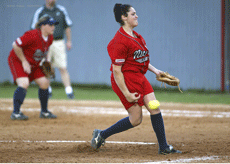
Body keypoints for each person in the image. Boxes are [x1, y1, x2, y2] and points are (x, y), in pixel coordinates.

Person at [91, 3, 182, 155]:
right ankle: (101, 135)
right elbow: (116, 71)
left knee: (154, 107)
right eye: (133, 14)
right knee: (135, 119)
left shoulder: (137, 36)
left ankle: (164, 147)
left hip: (139, 77)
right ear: (124, 17)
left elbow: (141, 60)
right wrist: (126, 93)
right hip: (125, 80)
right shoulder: (121, 40)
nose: (136, 16)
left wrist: (155, 71)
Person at [8, 15, 58, 120]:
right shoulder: (32, 35)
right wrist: (24, 61)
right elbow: (15, 45)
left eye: (54, 24)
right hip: (18, 60)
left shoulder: (50, 37)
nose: (53, 27)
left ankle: (44, 112)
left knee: (45, 83)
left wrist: (47, 60)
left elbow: (47, 49)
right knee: (24, 83)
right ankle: (16, 113)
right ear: (43, 25)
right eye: (51, 24)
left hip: (34, 63)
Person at [31, 0, 74, 99]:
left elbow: (67, 26)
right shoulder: (40, 11)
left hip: (58, 41)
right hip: (45, 42)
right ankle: (47, 90)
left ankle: (69, 91)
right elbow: (34, 28)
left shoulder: (61, 10)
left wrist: (69, 41)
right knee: (47, 66)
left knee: (62, 67)